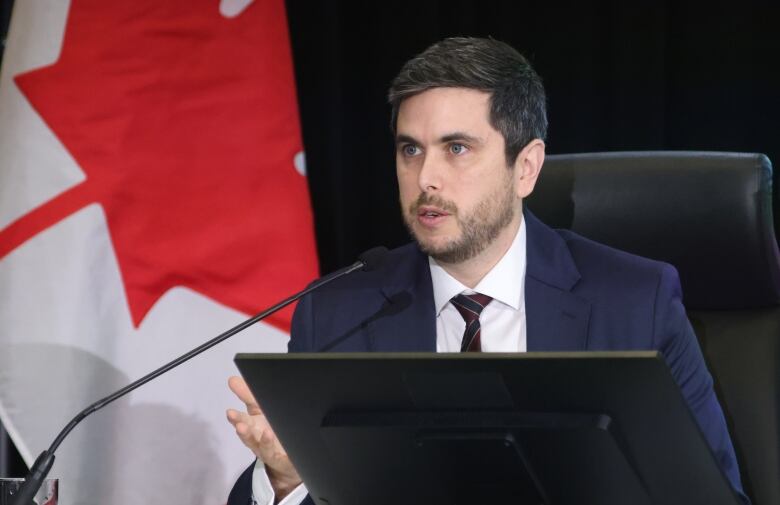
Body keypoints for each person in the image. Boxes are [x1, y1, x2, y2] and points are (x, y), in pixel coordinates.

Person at [226, 37, 748, 505]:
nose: (426, 177)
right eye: (411, 150)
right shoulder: (337, 313)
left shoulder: (637, 304)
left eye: (457, 149)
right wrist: (286, 481)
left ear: (526, 167)